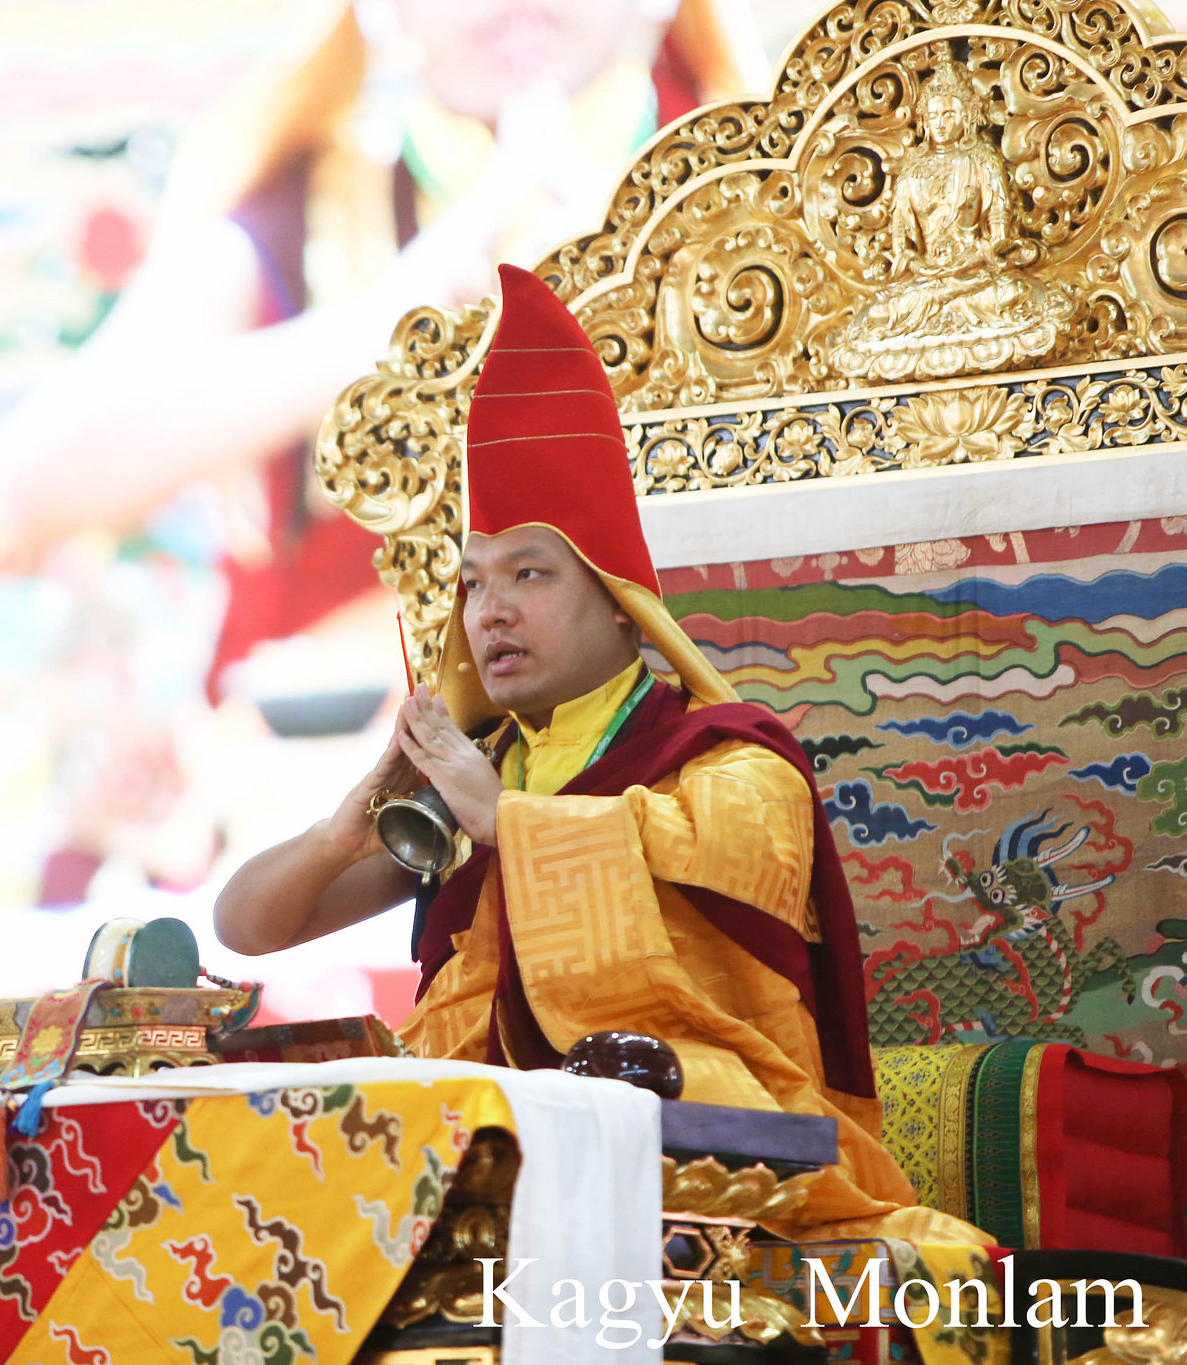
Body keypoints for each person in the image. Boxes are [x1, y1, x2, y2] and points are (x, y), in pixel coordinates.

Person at [213, 264, 984, 1243]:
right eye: (473, 583)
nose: (490, 612)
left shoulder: (732, 762)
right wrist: (341, 834)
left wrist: (507, 820)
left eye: (529, 574)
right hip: (477, 1157)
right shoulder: (474, 779)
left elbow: (734, 857)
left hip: (707, 1152)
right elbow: (246, 928)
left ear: (621, 606)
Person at [0, 0, 765, 697]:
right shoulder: (316, 216)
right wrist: (383, 325)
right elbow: (27, 491)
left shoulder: (769, 191)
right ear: (381, 8)